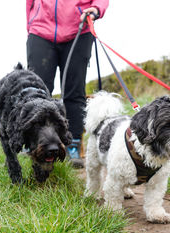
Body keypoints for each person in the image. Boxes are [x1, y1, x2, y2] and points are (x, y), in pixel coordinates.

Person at [26, 0, 109, 168]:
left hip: (79, 30)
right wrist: (31, 23)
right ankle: (33, 143)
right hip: (41, 31)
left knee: (74, 91)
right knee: (37, 93)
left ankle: (73, 145)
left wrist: (97, 8)